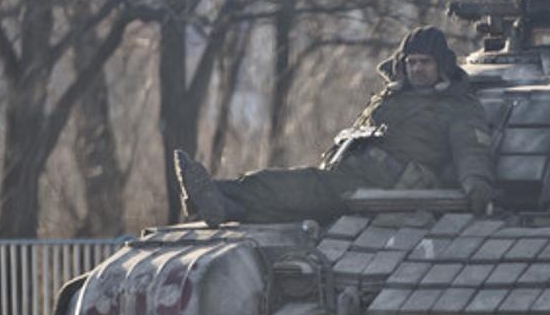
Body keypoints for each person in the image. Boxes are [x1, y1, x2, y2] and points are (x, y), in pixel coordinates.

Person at [176, 26, 496, 226]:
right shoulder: (394, 96)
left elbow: (472, 149)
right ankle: (222, 204)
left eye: (425, 62)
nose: (417, 69)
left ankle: (215, 193)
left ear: (441, 65)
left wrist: (476, 186)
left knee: (300, 188)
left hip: (394, 186)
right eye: (411, 62)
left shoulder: (457, 106)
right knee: (295, 199)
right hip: (357, 175)